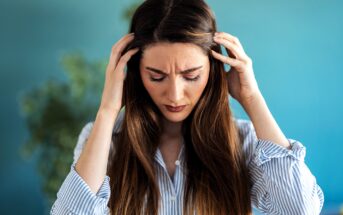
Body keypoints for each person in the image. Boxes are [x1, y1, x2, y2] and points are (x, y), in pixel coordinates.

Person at [50, 0, 324, 214]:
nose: (174, 94)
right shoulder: (104, 141)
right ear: (135, 72)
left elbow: (298, 210)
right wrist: (108, 110)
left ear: (213, 69)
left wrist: (251, 98)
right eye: (156, 76)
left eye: (191, 76)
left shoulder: (243, 142)